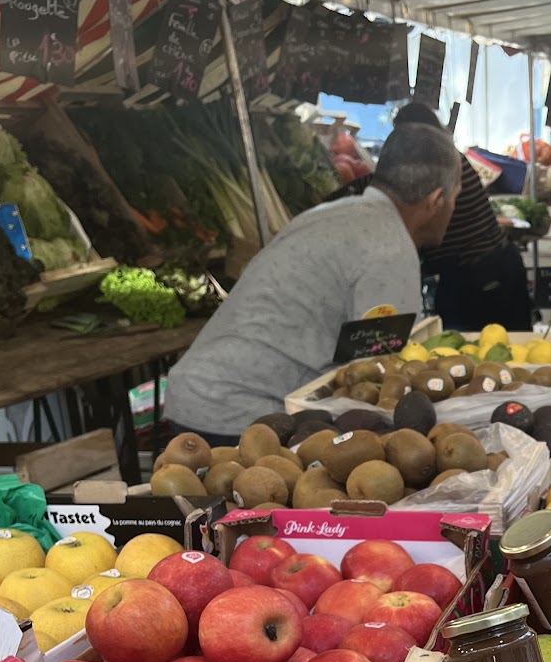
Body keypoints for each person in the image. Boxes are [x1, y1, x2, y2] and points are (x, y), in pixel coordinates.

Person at [166, 123, 461, 441]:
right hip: (240, 414)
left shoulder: (326, 214)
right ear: (435, 200)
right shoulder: (390, 249)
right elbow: (378, 372)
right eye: (456, 197)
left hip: (197, 395)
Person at [391, 101, 532, 333]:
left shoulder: (436, 164)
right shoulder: (449, 157)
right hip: (494, 266)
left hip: (478, 276)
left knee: (475, 351)